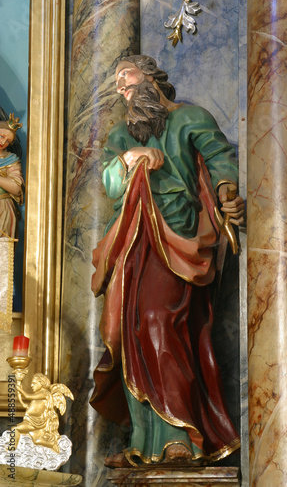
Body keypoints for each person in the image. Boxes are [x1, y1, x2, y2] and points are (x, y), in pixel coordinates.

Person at [91, 55, 244, 467]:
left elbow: (219, 160)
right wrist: (130, 158)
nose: (124, 88)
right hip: (133, 241)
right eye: (118, 85)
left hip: (178, 236)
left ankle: (182, 435)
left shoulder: (191, 117)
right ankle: (144, 442)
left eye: (128, 77)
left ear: (153, 77)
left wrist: (227, 191)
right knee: (131, 331)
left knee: (160, 321)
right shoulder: (123, 135)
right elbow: (109, 182)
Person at [0, 111, 24, 239]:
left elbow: (16, 187)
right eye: (1, 136)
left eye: (8, 141)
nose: (3, 142)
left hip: (2, 207)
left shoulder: (11, 160)